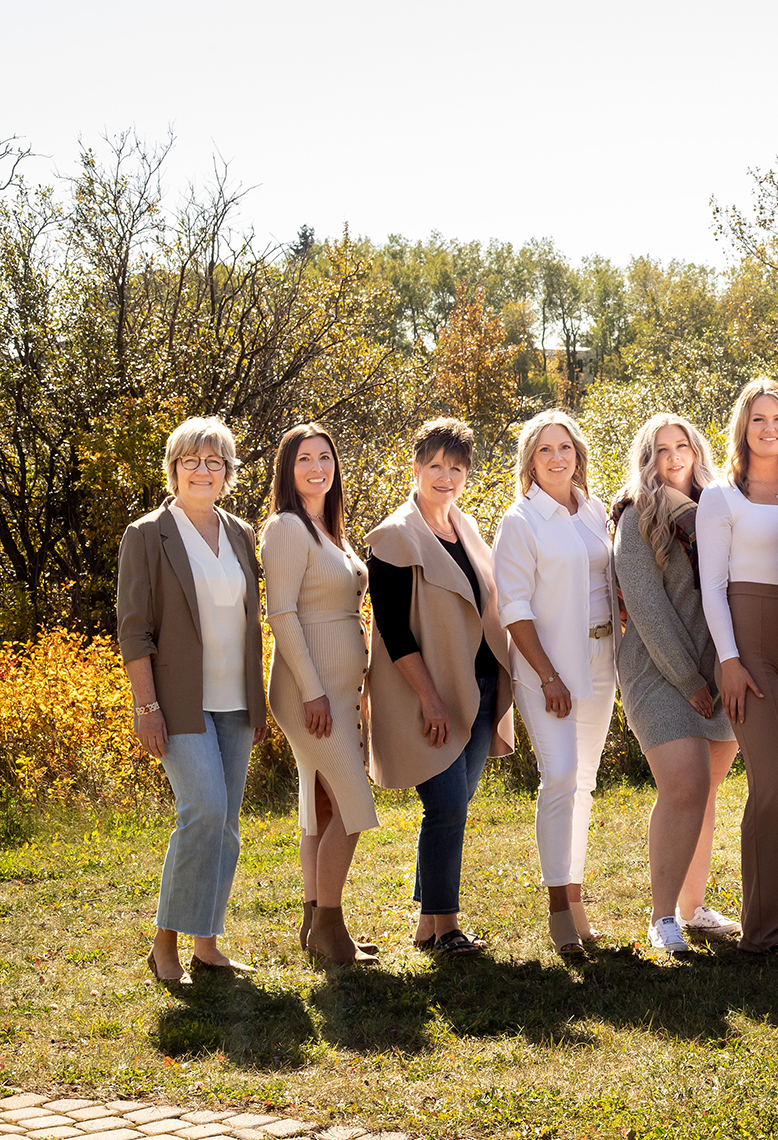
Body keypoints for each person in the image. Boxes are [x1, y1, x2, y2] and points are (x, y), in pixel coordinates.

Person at [118, 417, 267, 984]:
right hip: (179, 702)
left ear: (228, 473)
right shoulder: (147, 535)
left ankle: (207, 943)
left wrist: (255, 703)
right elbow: (134, 630)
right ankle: (165, 942)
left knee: (225, 822)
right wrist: (147, 707)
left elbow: (250, 624)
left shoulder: (240, 533)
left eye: (214, 462)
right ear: (174, 468)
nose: (202, 471)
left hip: (235, 701)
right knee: (202, 809)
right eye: (191, 461)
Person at [365, 418, 515, 958]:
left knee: (456, 805)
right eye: (435, 466)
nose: (445, 477)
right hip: (426, 694)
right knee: (447, 806)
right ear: (416, 467)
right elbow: (393, 629)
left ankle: (428, 927)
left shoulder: (467, 528)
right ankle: (448, 927)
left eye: (456, 468)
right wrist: (429, 698)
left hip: (478, 685)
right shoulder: (393, 538)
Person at [697, 377, 778, 954]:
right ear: (742, 429)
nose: (769, 428)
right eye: (758, 419)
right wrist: (728, 661)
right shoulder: (723, 497)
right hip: (750, 648)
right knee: (769, 781)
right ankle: (766, 932)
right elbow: (712, 587)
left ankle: (777, 925)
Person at [610, 412, 741, 954]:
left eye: (681, 446)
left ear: (696, 451)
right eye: (660, 449)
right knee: (683, 786)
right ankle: (662, 917)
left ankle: (695, 908)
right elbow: (646, 608)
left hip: (718, 672)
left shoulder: (718, 507)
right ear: (648, 459)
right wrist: (688, 678)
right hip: (658, 672)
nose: (673, 457)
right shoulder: (636, 518)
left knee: (705, 795)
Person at [493, 409, 621, 958]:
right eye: (545, 449)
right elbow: (513, 607)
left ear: (578, 453)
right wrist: (547, 674)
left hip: (601, 659)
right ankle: (556, 909)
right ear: (530, 460)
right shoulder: (521, 520)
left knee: (585, 781)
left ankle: (575, 894)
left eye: (565, 447)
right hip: (548, 669)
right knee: (561, 775)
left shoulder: (593, 509)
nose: (557, 458)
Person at [261, 422, 380, 967]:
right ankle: (332, 929)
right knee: (355, 808)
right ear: (288, 470)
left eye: (325, 457)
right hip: (308, 690)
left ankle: (314, 920)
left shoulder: (329, 529)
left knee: (323, 807)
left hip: (340, 688)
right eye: (305, 459)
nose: (317, 468)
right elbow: (282, 613)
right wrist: (312, 693)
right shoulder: (286, 527)